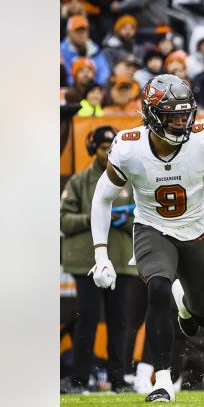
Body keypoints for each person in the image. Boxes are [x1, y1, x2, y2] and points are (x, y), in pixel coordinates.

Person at [87, 75, 204, 402]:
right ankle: (163, 380)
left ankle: (186, 306)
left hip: (197, 229)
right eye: (172, 116)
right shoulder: (129, 147)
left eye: (184, 115)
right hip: (152, 228)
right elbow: (102, 198)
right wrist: (101, 256)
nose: (181, 123)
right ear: (152, 115)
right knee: (157, 287)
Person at [61, 126, 137, 393]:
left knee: (119, 320)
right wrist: (96, 217)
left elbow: (142, 221)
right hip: (87, 263)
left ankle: (119, 378)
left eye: (111, 148)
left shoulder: (130, 181)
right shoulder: (79, 181)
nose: (107, 153)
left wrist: (123, 219)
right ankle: (80, 378)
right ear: (93, 149)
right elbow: (63, 219)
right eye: (104, 148)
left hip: (120, 260)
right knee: (88, 318)